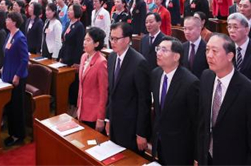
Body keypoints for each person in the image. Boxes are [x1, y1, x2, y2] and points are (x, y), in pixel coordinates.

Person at [197, 33, 251, 166]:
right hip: (207, 158)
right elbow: (203, 122)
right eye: (207, 50)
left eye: (215, 51)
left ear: (230, 56)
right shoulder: (206, 77)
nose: (209, 55)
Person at [150, 37, 199, 166]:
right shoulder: (156, 74)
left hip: (180, 149)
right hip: (159, 143)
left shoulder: (190, 83)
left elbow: (196, 122)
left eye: (164, 50)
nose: (158, 53)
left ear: (176, 56)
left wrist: (197, 155)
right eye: (158, 49)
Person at [105, 22, 151, 154]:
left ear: (127, 40)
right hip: (115, 122)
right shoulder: (112, 57)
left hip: (131, 127)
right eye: (111, 38)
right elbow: (111, 93)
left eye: (116, 39)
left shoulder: (139, 63)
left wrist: (141, 133)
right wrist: (108, 118)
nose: (112, 42)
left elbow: (144, 101)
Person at [2, 12, 29, 147]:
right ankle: (11, 133)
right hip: (7, 74)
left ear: (14, 22)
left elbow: (25, 59)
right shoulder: (9, 35)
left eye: (8, 19)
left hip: (16, 77)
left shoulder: (20, 38)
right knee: (9, 106)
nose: (6, 21)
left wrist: (17, 75)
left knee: (17, 107)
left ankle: (19, 135)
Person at [76, 27, 108, 130]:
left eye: (88, 40)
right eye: (84, 39)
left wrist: (100, 118)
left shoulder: (101, 62)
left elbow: (103, 93)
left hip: (93, 113)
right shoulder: (84, 57)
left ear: (96, 44)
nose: (84, 42)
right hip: (82, 109)